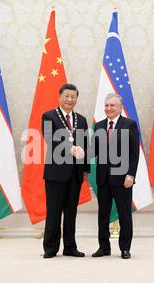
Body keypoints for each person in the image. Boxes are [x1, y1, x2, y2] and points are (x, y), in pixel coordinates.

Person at [41, 83, 90, 259]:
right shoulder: (48, 116)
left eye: (73, 97)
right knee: (53, 211)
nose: (70, 100)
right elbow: (51, 139)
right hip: (56, 173)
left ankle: (70, 247)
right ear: (60, 97)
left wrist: (86, 169)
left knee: (71, 212)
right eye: (66, 96)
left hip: (75, 174)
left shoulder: (82, 119)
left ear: (77, 98)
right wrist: (70, 149)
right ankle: (50, 248)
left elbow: (85, 145)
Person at [91, 93, 139, 259]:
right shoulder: (99, 126)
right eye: (106, 105)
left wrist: (131, 174)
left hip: (122, 178)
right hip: (103, 178)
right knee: (103, 214)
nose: (109, 108)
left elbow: (134, 153)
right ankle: (104, 247)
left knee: (124, 213)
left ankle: (125, 248)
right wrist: (81, 151)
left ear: (120, 108)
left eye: (112, 105)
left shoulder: (129, 125)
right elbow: (94, 150)